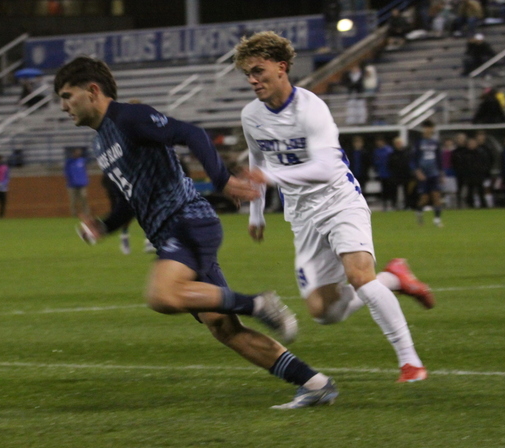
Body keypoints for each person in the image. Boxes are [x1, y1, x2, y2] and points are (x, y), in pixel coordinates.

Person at [54, 56, 336, 409]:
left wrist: (221, 180)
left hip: (187, 220)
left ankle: (258, 303)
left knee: (162, 295)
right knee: (223, 328)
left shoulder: (129, 118)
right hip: (169, 231)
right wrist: (104, 225)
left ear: (92, 91)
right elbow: (132, 199)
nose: (64, 106)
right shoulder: (101, 142)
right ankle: (314, 383)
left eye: (67, 96)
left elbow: (191, 133)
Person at [234, 31, 433, 385]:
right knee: (324, 313)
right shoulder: (251, 115)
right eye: (247, 73)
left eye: (258, 71)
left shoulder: (311, 109)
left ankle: (410, 363)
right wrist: (256, 212)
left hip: (339, 200)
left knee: (359, 277)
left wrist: (270, 177)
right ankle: (394, 277)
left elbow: (324, 168)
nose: (252, 79)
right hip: (303, 217)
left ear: (282, 68)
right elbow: (257, 155)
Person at [412, 120, 444, 227]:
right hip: (423, 174)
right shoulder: (418, 143)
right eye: (426, 127)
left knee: (436, 196)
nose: (428, 130)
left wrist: (441, 173)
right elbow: (414, 159)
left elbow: (439, 159)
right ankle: (419, 213)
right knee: (424, 199)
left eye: (430, 127)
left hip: (434, 173)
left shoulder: (435, 143)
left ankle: (437, 220)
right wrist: (417, 171)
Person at [64, 147, 91, 218]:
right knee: (73, 200)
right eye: (76, 152)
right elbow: (66, 172)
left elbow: (90, 159)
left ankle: (86, 213)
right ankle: (74, 214)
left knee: (84, 197)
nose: (78, 153)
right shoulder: (69, 162)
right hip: (72, 184)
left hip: (82, 183)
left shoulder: (82, 161)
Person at [389, 136, 414, 210]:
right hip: (396, 175)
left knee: (407, 191)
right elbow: (390, 165)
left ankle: (407, 205)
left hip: (406, 175)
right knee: (394, 191)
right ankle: (394, 205)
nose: (399, 145)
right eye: (397, 143)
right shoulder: (392, 154)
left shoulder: (406, 153)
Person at [372, 136, 396, 211]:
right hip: (382, 173)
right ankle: (385, 205)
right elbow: (375, 161)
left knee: (391, 189)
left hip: (390, 173)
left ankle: (393, 204)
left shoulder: (389, 150)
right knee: (384, 189)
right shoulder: (376, 151)